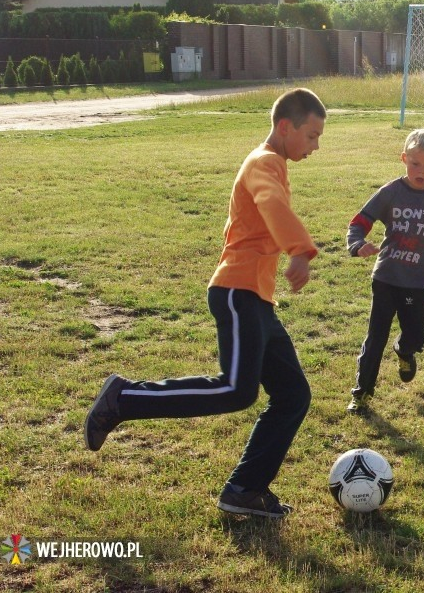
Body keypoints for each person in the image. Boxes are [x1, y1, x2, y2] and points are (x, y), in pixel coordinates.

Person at [83, 87, 327, 519]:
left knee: (292, 394)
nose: (315, 146)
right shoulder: (263, 162)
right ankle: (124, 398)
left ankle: (245, 490)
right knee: (236, 390)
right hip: (237, 292)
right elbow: (270, 204)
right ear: (285, 127)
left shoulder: (273, 164)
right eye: (311, 136)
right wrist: (298, 249)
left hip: (257, 298)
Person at [346, 128, 424, 413]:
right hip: (386, 277)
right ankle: (362, 393)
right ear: (404, 158)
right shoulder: (390, 192)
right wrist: (357, 244)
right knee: (375, 337)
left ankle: (404, 350)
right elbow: (359, 223)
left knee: (416, 335)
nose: (421, 170)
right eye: (415, 163)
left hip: (417, 282)